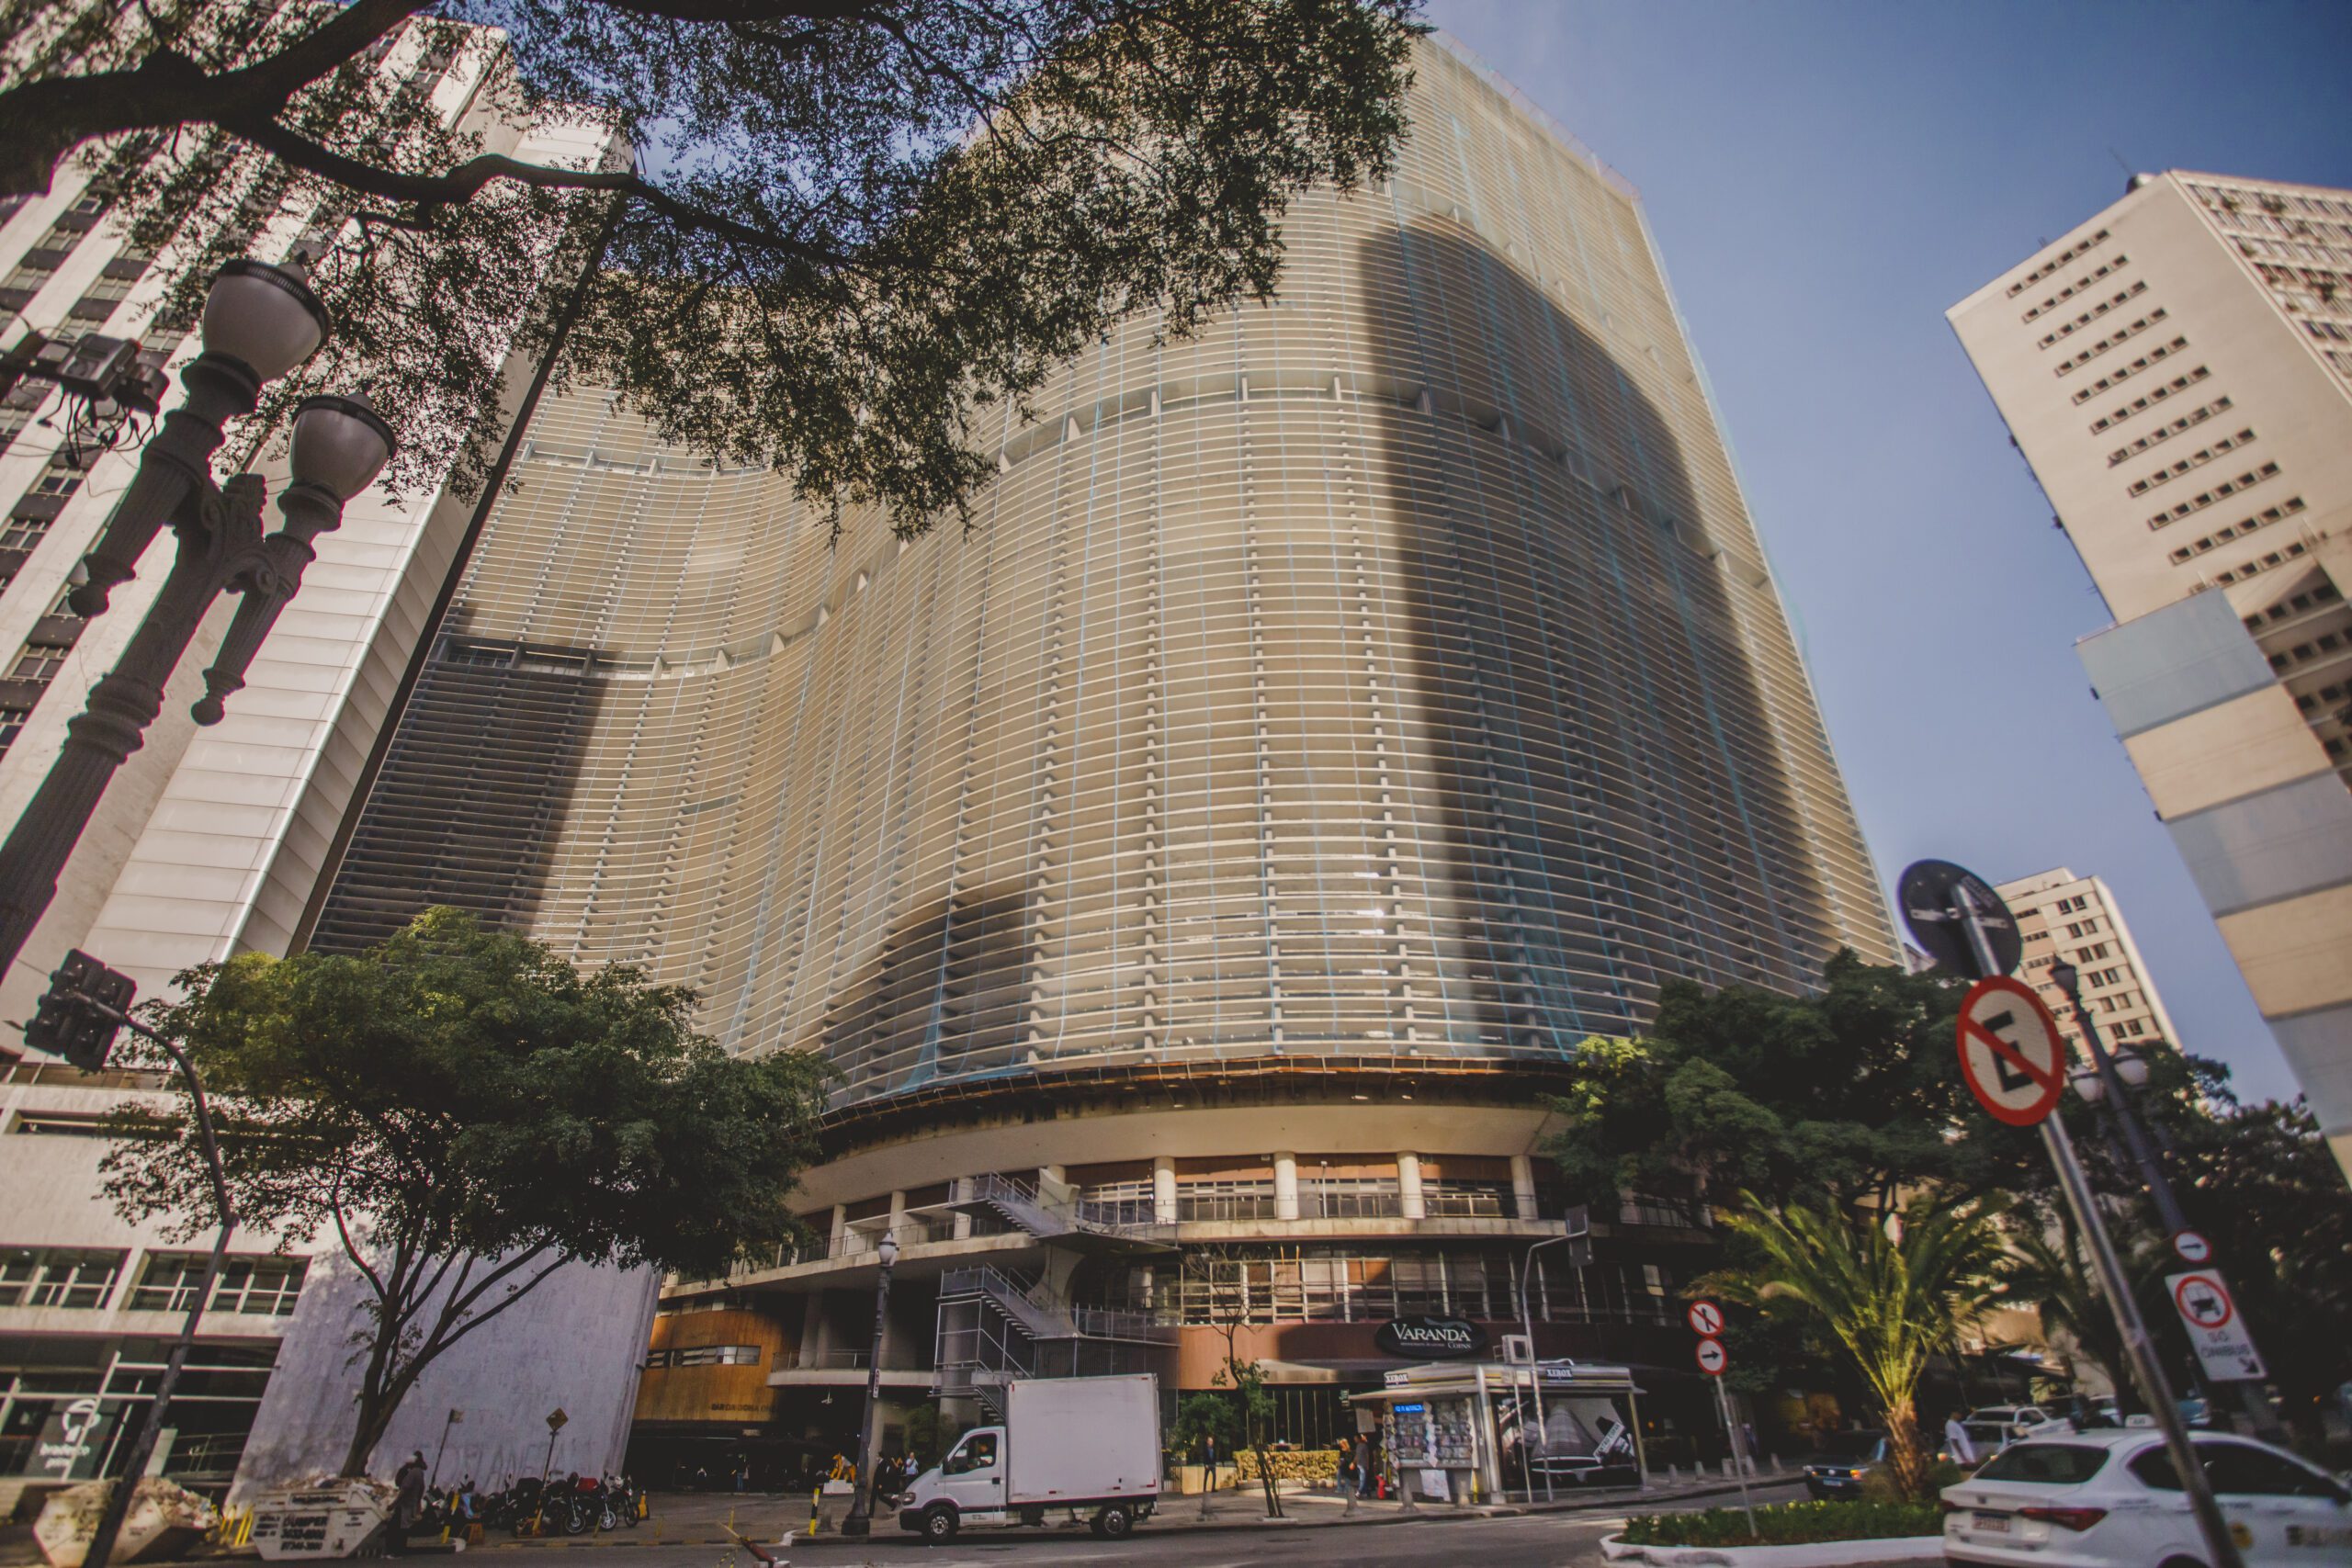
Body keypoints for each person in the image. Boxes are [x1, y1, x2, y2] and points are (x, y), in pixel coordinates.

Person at [391, 1451, 427, 1554]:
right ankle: (402, 1548)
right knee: (405, 1526)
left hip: (405, 1502)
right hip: (412, 1501)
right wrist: (418, 1503)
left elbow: (404, 1489)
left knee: (401, 1526)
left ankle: (398, 1550)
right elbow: (422, 1488)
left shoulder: (412, 1473)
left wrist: (393, 1504)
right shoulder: (419, 1472)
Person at [1351, 1433, 1373, 1499]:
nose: (1355, 1440)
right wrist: (1353, 1463)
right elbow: (1357, 1455)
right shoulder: (1358, 1446)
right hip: (1358, 1464)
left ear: (1359, 1438)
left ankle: (1359, 1492)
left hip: (1363, 1464)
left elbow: (1367, 1455)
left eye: (1356, 1439)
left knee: (1362, 1479)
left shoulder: (1364, 1446)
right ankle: (1367, 1492)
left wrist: (1367, 1464)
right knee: (1363, 1479)